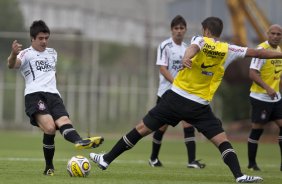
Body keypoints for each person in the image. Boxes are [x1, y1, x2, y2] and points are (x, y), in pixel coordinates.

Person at [88, 16, 282, 183]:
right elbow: (258, 53)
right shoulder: (228, 48)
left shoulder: (201, 39)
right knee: (221, 140)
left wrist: (185, 58)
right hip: (199, 106)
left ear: (205, 30)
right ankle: (239, 175)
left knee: (141, 129)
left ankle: (106, 159)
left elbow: (194, 48)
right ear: (219, 32)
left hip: (175, 98)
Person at [7, 20, 104, 176]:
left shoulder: (53, 53)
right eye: (41, 38)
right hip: (34, 95)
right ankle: (49, 166)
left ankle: (79, 141)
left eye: (46, 38)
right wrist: (13, 54)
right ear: (32, 38)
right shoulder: (25, 53)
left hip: (53, 95)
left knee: (64, 122)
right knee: (50, 127)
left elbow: (52, 73)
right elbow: (12, 65)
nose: (44, 41)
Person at [148, 15, 205, 169]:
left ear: (185, 30)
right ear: (171, 30)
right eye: (176, 28)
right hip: (166, 92)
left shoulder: (188, 48)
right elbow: (162, 68)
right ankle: (153, 158)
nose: (179, 31)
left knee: (188, 124)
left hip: (183, 93)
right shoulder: (165, 46)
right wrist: (176, 83)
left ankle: (191, 161)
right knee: (161, 127)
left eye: (181, 28)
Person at [247, 24, 282, 172]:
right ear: (267, 34)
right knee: (257, 130)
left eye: (278, 34)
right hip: (260, 97)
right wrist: (267, 88)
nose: (275, 36)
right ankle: (252, 163)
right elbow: (252, 73)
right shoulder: (261, 50)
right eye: (272, 33)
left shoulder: (279, 51)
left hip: (276, 98)